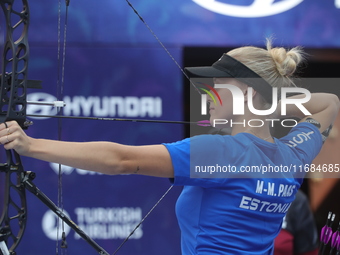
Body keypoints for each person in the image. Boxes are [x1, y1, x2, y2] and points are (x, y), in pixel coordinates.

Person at [0, 40, 338, 254]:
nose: (209, 92)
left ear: (247, 93)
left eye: (220, 84)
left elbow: (121, 160)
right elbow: (329, 104)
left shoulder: (221, 153)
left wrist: (31, 145)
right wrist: (268, 104)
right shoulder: (293, 155)